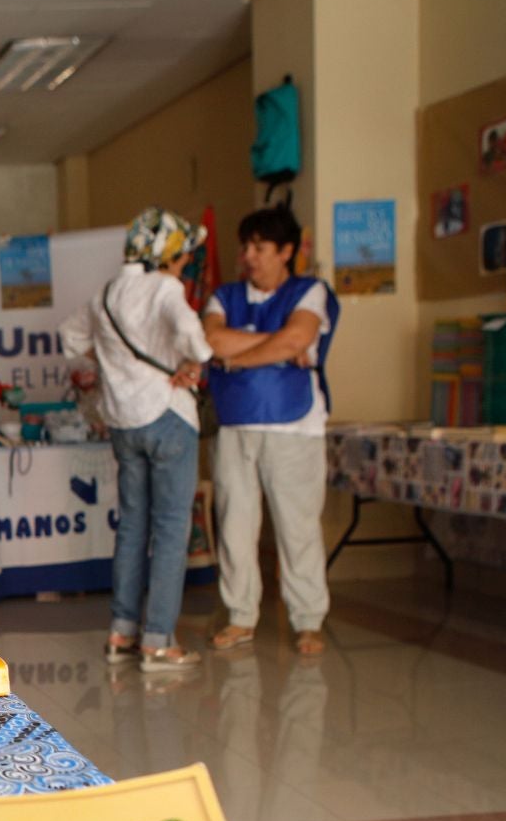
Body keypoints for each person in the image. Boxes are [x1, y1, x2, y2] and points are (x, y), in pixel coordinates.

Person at [60, 207, 213, 672]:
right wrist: (196, 362)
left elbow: (70, 338)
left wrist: (115, 368)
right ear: (166, 253)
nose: (185, 262)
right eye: (182, 253)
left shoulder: (107, 293)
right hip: (168, 417)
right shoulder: (164, 288)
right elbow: (195, 338)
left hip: (124, 423)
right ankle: (158, 640)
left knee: (131, 526)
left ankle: (121, 632)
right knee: (170, 530)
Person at [202, 206, 340, 657]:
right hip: (235, 426)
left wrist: (234, 358)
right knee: (235, 526)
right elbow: (212, 340)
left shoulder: (311, 292)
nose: (249, 256)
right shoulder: (224, 296)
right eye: (246, 247)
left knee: (297, 527)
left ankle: (308, 619)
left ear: (286, 252)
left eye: (260, 247)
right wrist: (273, 348)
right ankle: (241, 615)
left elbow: (296, 339)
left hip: (295, 427)